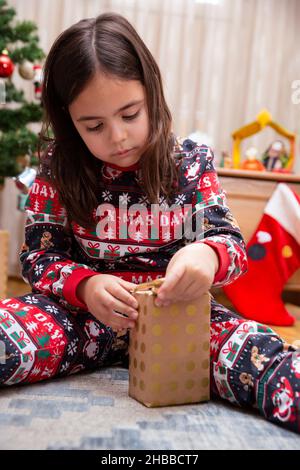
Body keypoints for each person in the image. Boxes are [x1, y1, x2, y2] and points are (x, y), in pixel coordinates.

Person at [0, 12, 299, 434]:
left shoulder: (191, 162)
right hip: (78, 316)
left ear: (152, 93)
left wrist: (205, 255)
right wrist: (85, 285)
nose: (118, 137)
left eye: (130, 114)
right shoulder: (57, 167)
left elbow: (231, 246)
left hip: (177, 316)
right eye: (95, 126)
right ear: (69, 121)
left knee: (268, 361)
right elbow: (38, 258)